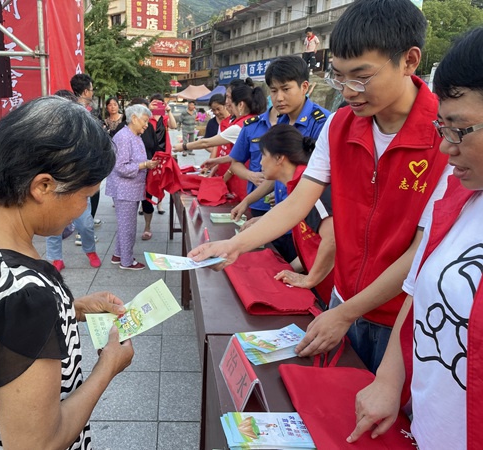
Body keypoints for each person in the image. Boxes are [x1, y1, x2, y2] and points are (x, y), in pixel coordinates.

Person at [189, 0, 451, 374]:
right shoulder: (340, 126)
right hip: (344, 299)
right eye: (339, 77)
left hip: (403, 318)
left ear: (409, 61)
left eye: (360, 77)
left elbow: (421, 249)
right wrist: (234, 245)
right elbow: (298, 200)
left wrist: (345, 312)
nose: (348, 91)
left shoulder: (445, 136)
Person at [0, 96, 134, 450]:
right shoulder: (25, 294)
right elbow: (37, 444)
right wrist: (109, 366)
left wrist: (73, 308)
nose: (84, 209)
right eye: (86, 196)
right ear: (43, 186)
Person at [349, 26, 483, 449]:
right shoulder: (456, 194)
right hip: (426, 429)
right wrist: (389, 380)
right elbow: (418, 286)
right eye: (442, 127)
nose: (446, 149)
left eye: (460, 130)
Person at [228, 56, 329, 247]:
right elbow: (275, 174)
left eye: (286, 89)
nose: (279, 98)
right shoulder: (282, 122)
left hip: (309, 227)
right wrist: (247, 201)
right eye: (273, 91)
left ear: (304, 87)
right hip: (282, 221)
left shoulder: (322, 123)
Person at [254, 124, 335, 305]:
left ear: (279, 158)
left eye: (263, 155)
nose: (260, 163)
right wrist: (288, 269)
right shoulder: (297, 186)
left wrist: (310, 279)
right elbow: (312, 245)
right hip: (324, 285)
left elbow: (332, 239)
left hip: (334, 289)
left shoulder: (311, 188)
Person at [45, 89, 101, 270]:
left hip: (78, 184)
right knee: (53, 225)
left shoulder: (83, 127)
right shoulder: (46, 128)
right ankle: (55, 258)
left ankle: (90, 250)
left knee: (85, 224)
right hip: (54, 185)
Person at [106, 104, 159, 270]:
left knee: (125, 224)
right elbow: (121, 167)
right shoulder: (124, 137)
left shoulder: (134, 135)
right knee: (128, 227)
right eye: (144, 121)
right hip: (125, 188)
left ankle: (118, 254)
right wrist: (145, 165)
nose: (146, 125)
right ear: (134, 118)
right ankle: (126, 261)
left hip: (131, 188)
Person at [70, 74, 102, 224]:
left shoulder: (68, 109)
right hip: (84, 164)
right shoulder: (83, 113)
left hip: (74, 164)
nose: (92, 92)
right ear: (85, 92)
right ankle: (83, 229)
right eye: (91, 89)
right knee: (88, 196)